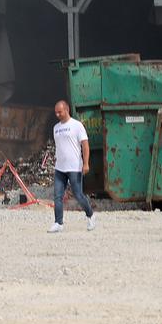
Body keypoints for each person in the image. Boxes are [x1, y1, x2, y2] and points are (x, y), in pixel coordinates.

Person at [49, 99, 95, 233]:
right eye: (56, 113)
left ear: (67, 110)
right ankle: (58, 223)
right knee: (57, 196)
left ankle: (90, 215)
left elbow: (85, 145)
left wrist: (86, 163)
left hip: (74, 167)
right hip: (60, 168)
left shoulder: (77, 125)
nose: (57, 115)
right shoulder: (56, 128)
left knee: (78, 195)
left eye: (60, 112)